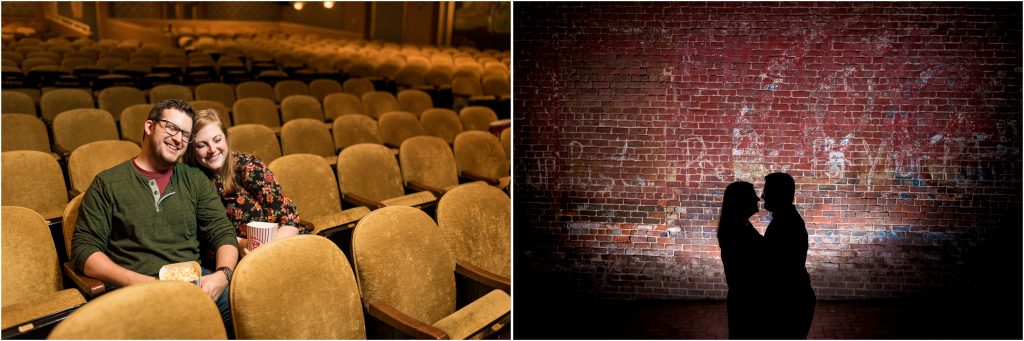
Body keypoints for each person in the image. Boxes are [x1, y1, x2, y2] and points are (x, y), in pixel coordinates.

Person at [71, 99, 238, 335]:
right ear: (149, 127)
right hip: (134, 290)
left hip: (194, 286)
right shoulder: (107, 183)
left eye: (186, 134)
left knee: (250, 308)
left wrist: (222, 276)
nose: (179, 139)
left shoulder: (194, 179)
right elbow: (84, 250)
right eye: (171, 128)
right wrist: (141, 283)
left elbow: (223, 232)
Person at [183, 109, 303, 255]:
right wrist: (241, 244)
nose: (212, 149)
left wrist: (267, 253)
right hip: (228, 258)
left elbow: (289, 221)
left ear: (226, 138)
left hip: (278, 246)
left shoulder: (248, 166)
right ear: (191, 149)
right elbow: (203, 235)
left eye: (217, 140)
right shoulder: (189, 180)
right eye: (202, 145)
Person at [762, 172, 816, 339]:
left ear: (779, 194)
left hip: (790, 301)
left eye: (766, 191)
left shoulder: (785, 223)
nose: (763, 195)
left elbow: (779, 267)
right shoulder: (785, 220)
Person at [717, 181, 766, 339]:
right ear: (741, 200)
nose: (758, 199)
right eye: (753, 195)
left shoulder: (741, 224)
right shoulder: (735, 229)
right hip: (746, 299)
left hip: (745, 297)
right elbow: (738, 268)